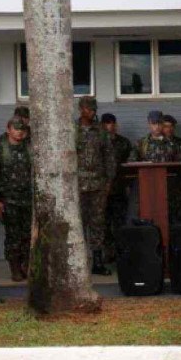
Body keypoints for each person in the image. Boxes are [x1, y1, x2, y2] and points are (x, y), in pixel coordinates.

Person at [0, 117, 34, 282]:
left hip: (28, 200)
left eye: (22, 129)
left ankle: (26, 266)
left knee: (28, 235)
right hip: (9, 201)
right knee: (13, 236)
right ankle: (15, 268)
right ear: (8, 129)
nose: (19, 132)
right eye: (16, 128)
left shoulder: (30, 149)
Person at [75, 97, 116, 275]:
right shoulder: (71, 130)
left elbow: (109, 158)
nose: (92, 112)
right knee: (78, 224)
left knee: (98, 224)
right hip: (77, 186)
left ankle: (97, 262)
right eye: (89, 109)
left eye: (94, 109)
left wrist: (108, 183)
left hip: (98, 186)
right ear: (81, 109)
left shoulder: (101, 132)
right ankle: (78, 262)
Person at [100, 113, 135, 265]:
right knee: (104, 224)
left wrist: (129, 185)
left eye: (113, 123)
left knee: (120, 223)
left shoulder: (124, 142)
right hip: (102, 191)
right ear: (102, 125)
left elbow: (131, 166)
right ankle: (108, 253)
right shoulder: (97, 143)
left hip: (119, 189)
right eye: (107, 123)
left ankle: (121, 252)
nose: (111, 126)